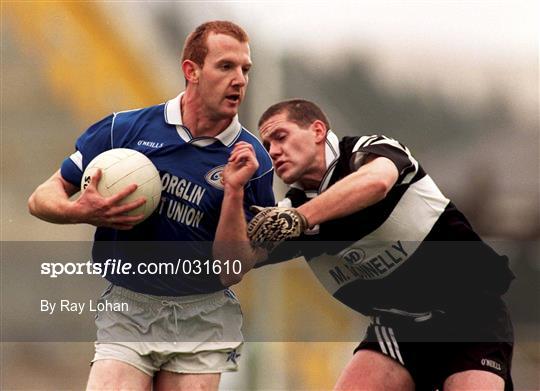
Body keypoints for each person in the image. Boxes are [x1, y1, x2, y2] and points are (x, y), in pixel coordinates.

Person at [28, 21, 274, 391]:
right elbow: (40, 199)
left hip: (203, 315)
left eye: (245, 69)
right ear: (191, 71)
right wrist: (83, 211)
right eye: (226, 66)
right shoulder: (123, 130)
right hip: (129, 307)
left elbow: (231, 270)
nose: (239, 79)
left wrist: (235, 191)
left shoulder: (253, 161)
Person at [230, 99, 515, 390]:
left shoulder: (365, 153)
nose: (273, 151)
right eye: (266, 145)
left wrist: (300, 217)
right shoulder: (289, 212)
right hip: (398, 328)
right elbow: (233, 264)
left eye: (280, 137)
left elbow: (377, 183)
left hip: (470, 313)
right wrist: (232, 190)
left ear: (317, 130)